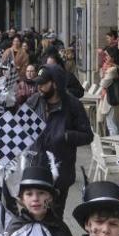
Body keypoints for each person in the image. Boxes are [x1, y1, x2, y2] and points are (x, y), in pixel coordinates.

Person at [25, 64, 94, 215]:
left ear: (55, 84)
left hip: (60, 173)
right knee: (34, 215)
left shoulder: (73, 105)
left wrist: (66, 135)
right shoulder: (34, 101)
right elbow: (18, 131)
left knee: (54, 217)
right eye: (38, 84)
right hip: (35, 168)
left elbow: (88, 136)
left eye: (43, 84)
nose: (39, 87)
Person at [97, 47, 119, 136]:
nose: (105, 57)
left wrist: (105, 71)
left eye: (107, 55)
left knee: (112, 124)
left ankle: (115, 146)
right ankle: (118, 145)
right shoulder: (116, 67)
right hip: (116, 99)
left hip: (111, 99)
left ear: (113, 57)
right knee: (116, 123)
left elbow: (103, 83)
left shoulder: (112, 69)